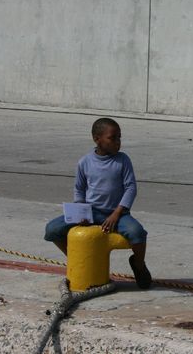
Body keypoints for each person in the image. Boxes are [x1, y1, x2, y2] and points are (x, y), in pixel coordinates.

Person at [44, 117, 151, 289]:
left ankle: (139, 265)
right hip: (91, 212)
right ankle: (77, 258)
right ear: (97, 139)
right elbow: (79, 189)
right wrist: (80, 213)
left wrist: (117, 213)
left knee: (138, 233)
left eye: (119, 137)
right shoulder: (84, 162)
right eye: (112, 138)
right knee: (52, 229)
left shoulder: (123, 160)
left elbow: (131, 188)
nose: (118, 142)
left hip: (117, 214)